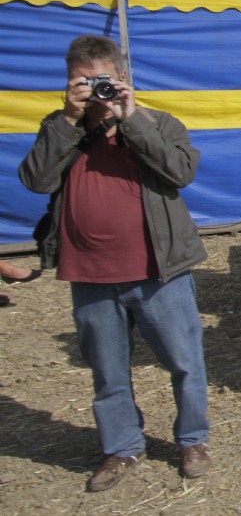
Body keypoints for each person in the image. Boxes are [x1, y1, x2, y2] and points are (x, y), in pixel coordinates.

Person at [18, 34, 212, 490]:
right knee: (107, 370)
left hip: (158, 269)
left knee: (184, 361)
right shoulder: (62, 127)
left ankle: (192, 440)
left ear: (122, 78)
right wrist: (69, 119)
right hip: (89, 272)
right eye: (82, 82)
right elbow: (36, 180)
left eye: (102, 80)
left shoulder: (158, 122)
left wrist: (131, 119)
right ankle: (122, 447)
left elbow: (180, 172)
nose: (94, 91)